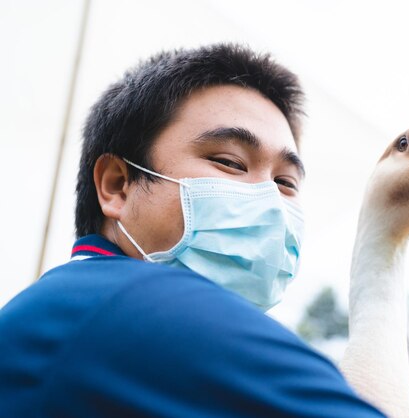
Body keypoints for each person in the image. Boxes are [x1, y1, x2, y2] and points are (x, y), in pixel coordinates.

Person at [0, 44, 385, 417]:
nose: (269, 201)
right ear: (118, 185)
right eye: (230, 162)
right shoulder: (134, 305)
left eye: (286, 183)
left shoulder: (74, 312)